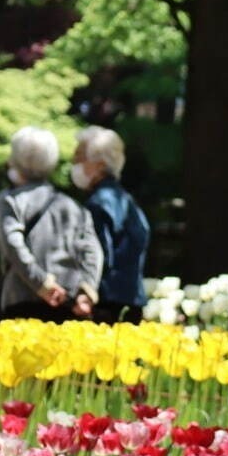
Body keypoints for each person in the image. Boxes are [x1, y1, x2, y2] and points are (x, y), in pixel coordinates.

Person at [0, 126, 103, 323]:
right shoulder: (73, 206)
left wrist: (42, 284)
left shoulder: (10, 201)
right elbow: (92, 250)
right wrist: (87, 290)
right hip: (68, 302)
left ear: (16, 160)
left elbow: (12, 246)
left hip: (21, 300)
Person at [71, 126, 150, 322]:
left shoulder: (98, 204)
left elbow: (98, 256)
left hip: (105, 305)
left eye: (80, 157)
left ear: (99, 165)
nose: (74, 163)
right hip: (132, 299)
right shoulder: (126, 200)